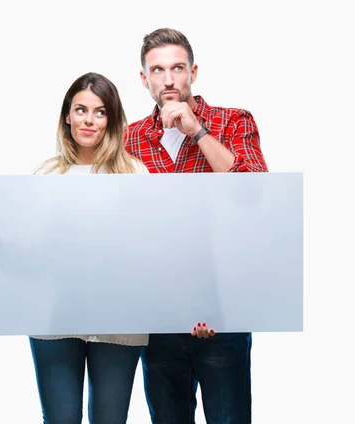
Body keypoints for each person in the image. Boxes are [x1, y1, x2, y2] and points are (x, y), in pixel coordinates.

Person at [0, 72, 150, 424]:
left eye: (100, 112)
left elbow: (149, 249)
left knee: (110, 419)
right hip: (55, 319)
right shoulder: (46, 176)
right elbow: (31, 250)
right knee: (60, 420)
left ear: (112, 121)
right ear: (66, 116)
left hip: (118, 321)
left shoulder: (135, 175)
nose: (89, 120)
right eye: (81, 109)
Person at [124, 28, 269, 424]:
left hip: (222, 313)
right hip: (158, 320)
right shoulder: (129, 138)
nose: (168, 79)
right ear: (144, 79)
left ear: (193, 72)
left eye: (177, 68)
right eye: (157, 70)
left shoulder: (232, 120)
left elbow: (254, 195)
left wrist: (198, 131)